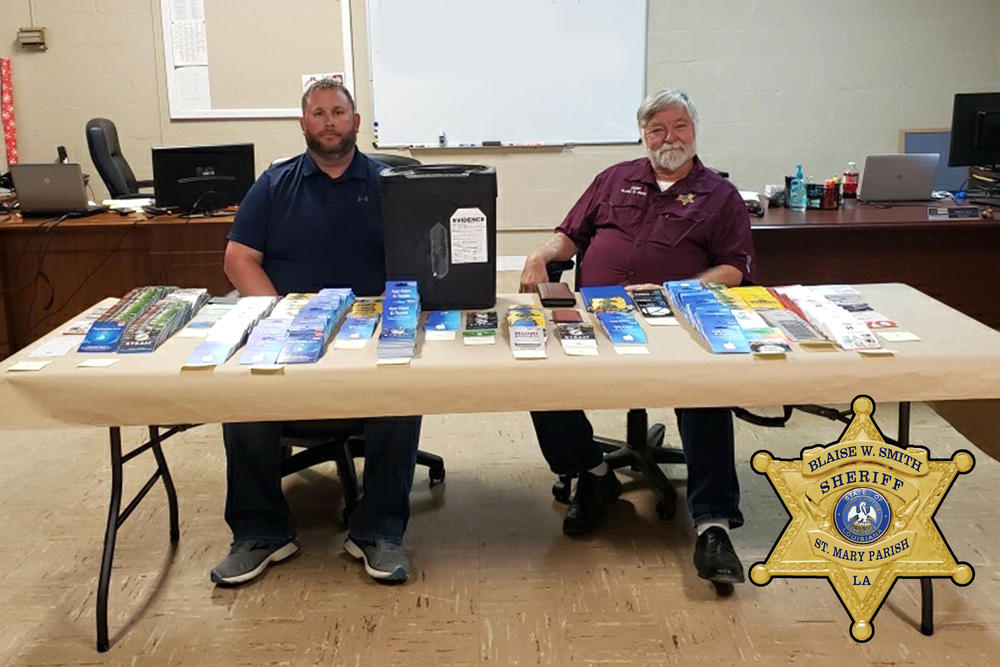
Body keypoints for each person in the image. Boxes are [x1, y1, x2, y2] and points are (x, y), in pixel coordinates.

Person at [518, 88, 753, 586]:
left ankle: (712, 524)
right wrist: (541, 253)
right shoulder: (613, 178)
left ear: (694, 129)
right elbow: (570, 235)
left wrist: (674, 290)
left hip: (677, 318)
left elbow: (734, 267)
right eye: (657, 129)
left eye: (679, 126)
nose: (669, 137)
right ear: (643, 135)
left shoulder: (720, 196)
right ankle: (592, 474)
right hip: (597, 315)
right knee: (539, 375)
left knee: (706, 391)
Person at [211, 78, 421, 586]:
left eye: (338, 112)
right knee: (242, 393)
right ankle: (261, 532)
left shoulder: (390, 181)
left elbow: (422, 257)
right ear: (304, 123)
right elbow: (238, 258)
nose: (329, 121)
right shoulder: (274, 183)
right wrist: (277, 318)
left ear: (354, 120)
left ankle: (378, 530)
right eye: (319, 113)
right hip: (290, 328)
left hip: (372, 329)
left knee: (404, 390)